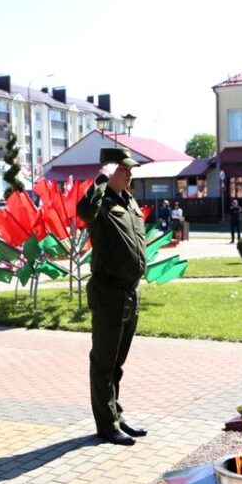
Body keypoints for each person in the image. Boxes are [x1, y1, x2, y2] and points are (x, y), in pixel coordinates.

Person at [77, 148, 148, 446]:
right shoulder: (100, 202)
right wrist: (100, 179)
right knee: (104, 362)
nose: (130, 174)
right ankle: (106, 424)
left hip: (130, 292)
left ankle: (116, 414)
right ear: (109, 170)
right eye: (124, 169)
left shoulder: (128, 201)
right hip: (108, 292)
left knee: (117, 362)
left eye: (131, 169)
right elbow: (84, 212)